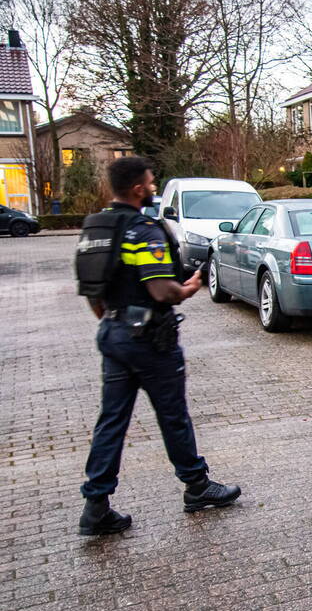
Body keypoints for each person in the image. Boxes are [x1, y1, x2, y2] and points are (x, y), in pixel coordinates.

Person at [74, 157, 240, 536]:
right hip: (150, 339)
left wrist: (114, 319)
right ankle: (197, 486)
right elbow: (162, 288)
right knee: (172, 415)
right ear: (137, 188)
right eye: (150, 182)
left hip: (113, 333)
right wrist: (189, 289)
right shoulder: (143, 229)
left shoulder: (96, 226)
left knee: (111, 421)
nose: (153, 186)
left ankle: (96, 505)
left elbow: (91, 290)